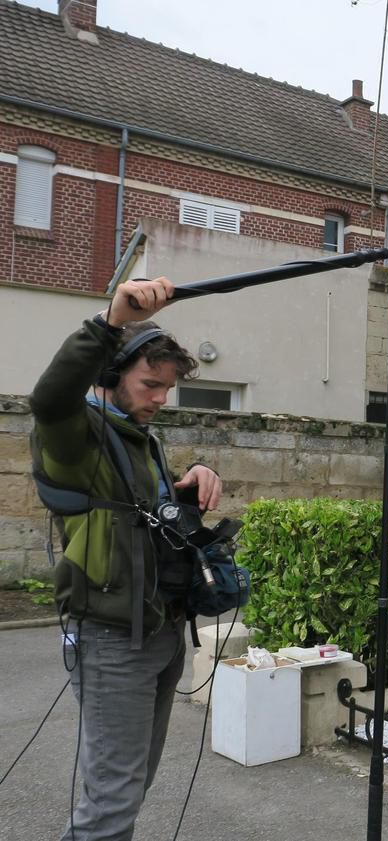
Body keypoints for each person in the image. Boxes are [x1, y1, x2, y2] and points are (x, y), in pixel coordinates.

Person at [30, 277, 223, 841]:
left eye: (167, 387)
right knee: (111, 803)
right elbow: (48, 399)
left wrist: (190, 487)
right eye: (150, 384)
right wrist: (108, 322)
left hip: (160, 633)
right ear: (111, 375)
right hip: (113, 640)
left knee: (128, 788)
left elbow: (141, 519)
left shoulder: (141, 438)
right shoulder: (78, 436)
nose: (161, 398)